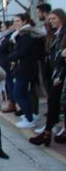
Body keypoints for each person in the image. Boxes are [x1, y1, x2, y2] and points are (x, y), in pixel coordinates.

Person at [30, 9, 66, 146]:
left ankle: (47, 133)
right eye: (50, 19)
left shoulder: (63, 34)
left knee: (55, 103)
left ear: (61, 18)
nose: (51, 21)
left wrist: (60, 75)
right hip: (55, 74)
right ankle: (47, 133)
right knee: (54, 104)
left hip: (61, 76)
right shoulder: (55, 35)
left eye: (54, 18)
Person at [8, 13, 40, 128]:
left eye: (17, 21)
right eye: (14, 21)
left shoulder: (26, 36)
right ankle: (29, 114)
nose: (15, 23)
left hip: (25, 69)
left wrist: (10, 57)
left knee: (17, 94)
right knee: (24, 94)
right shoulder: (20, 35)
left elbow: (22, 52)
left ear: (24, 22)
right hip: (23, 68)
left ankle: (29, 119)